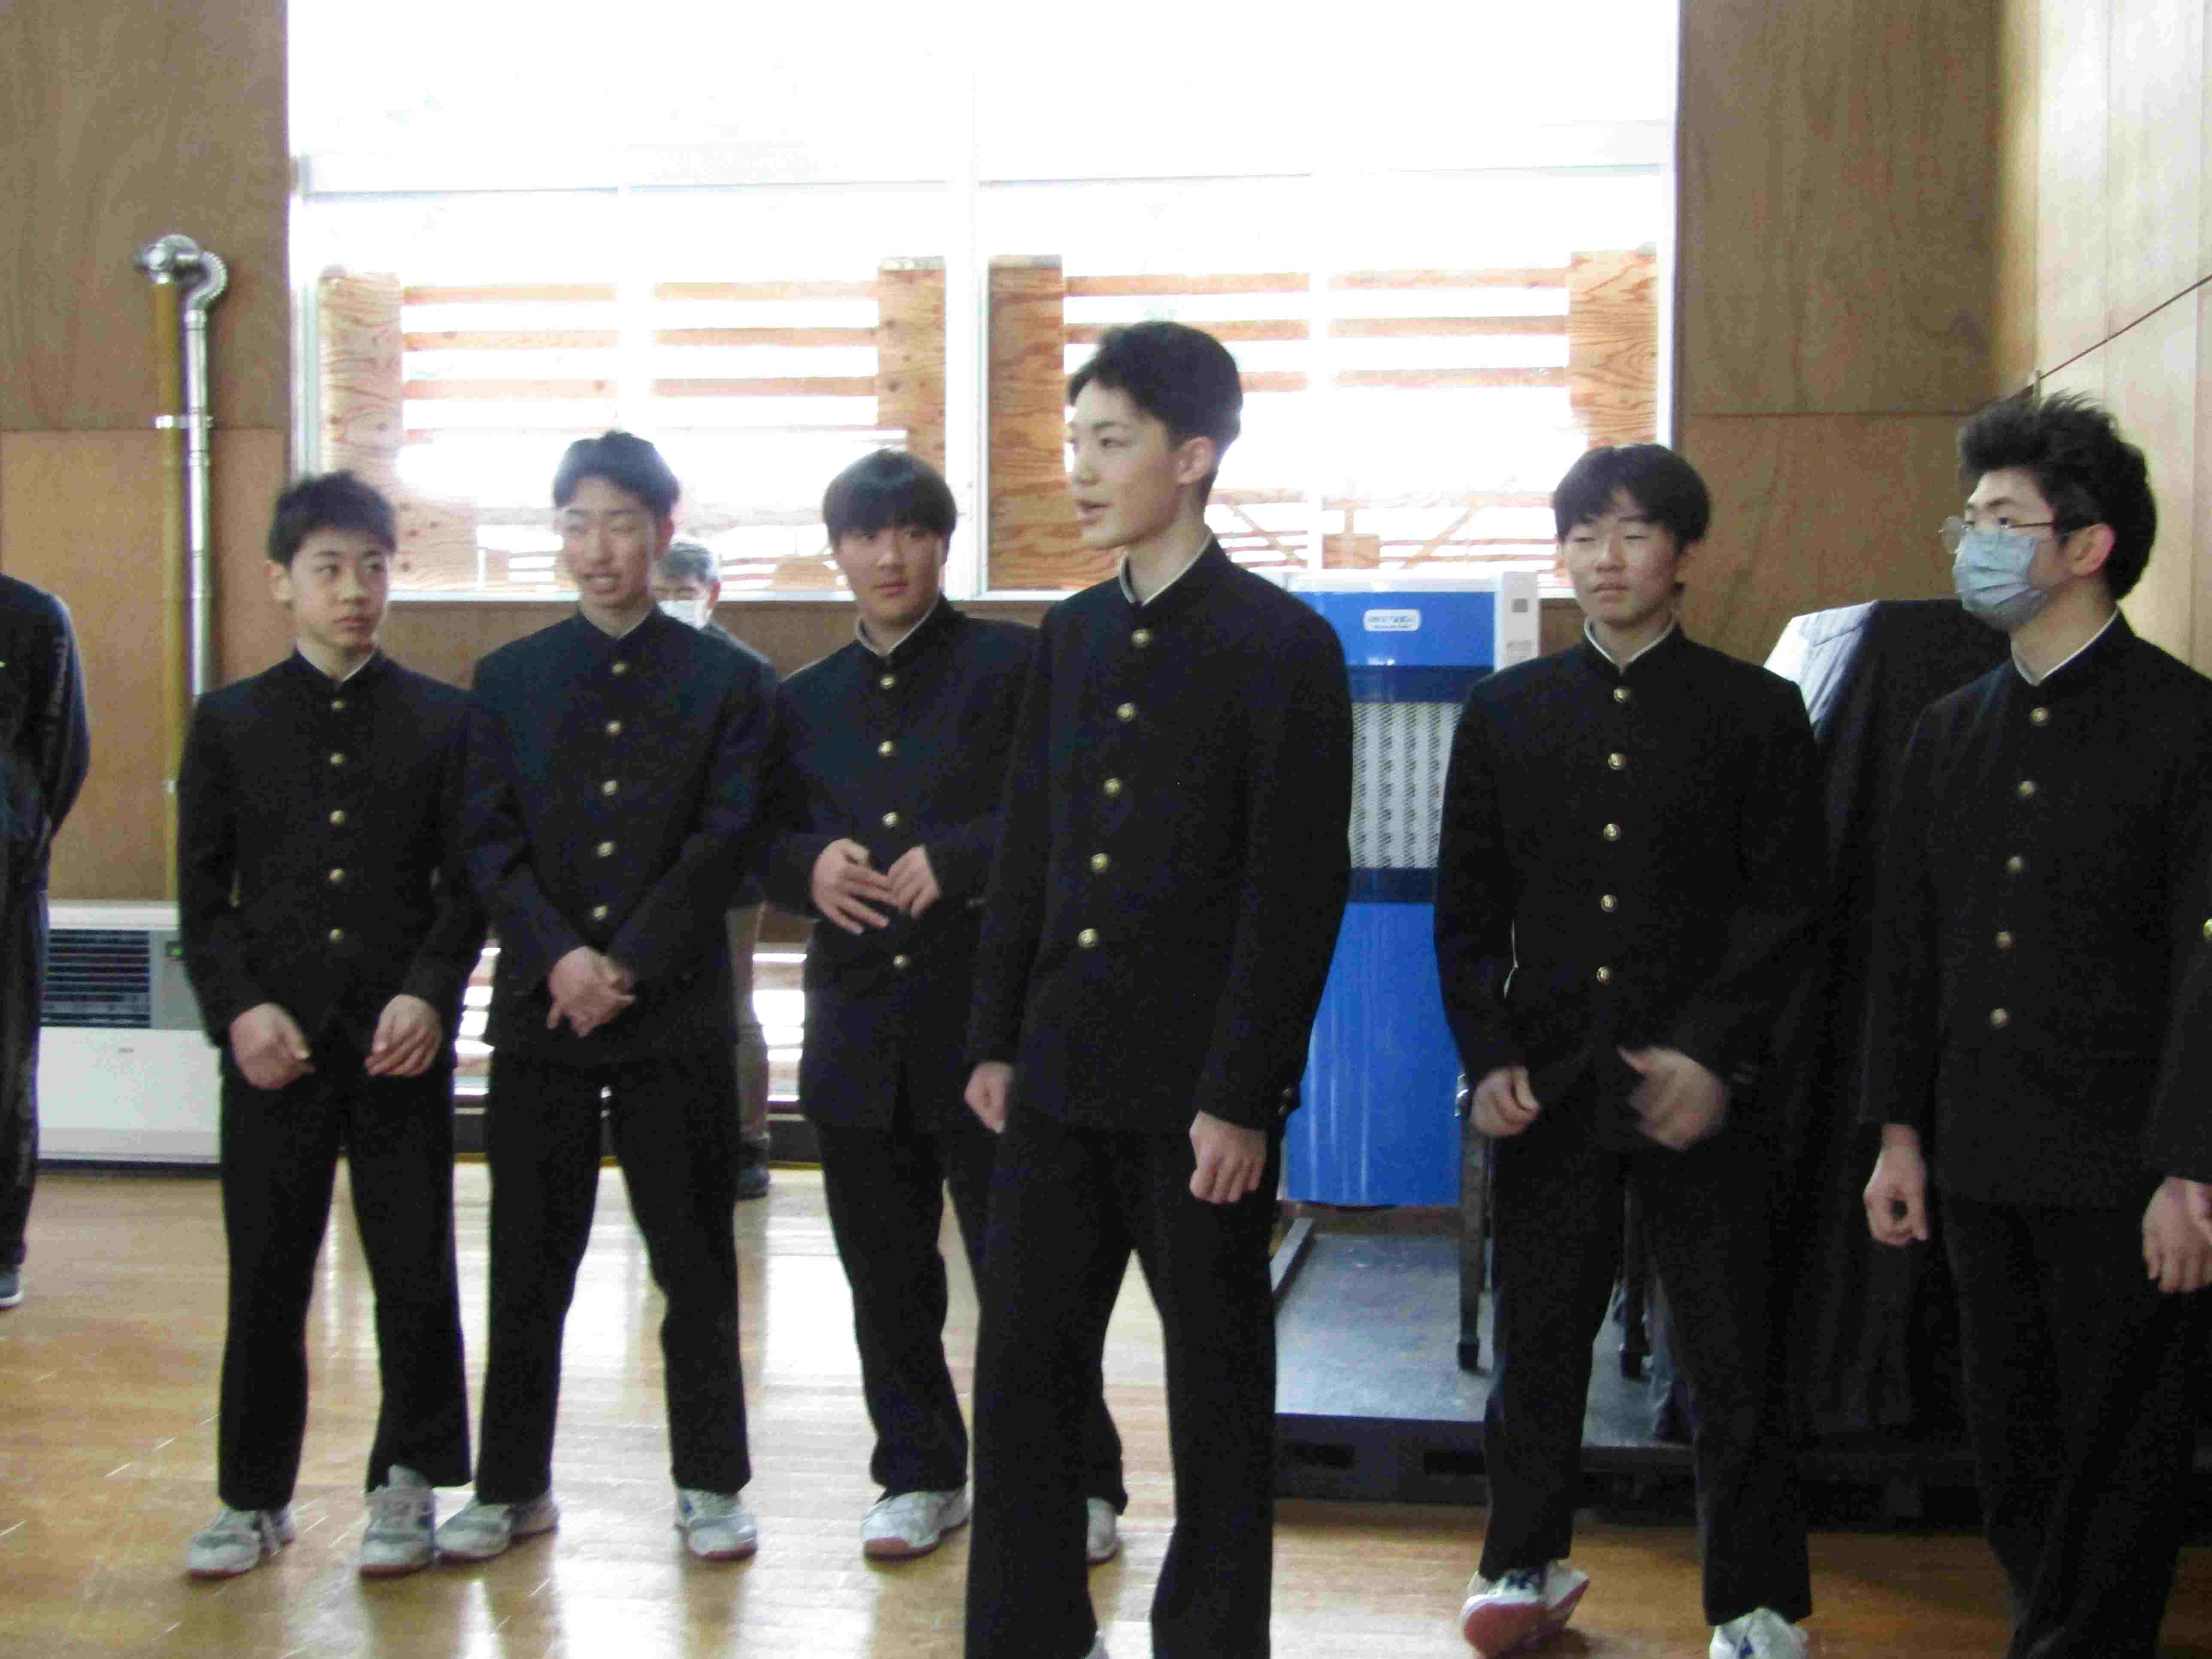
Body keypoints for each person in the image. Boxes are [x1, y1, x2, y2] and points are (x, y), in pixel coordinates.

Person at [962, 321, 1352, 1659]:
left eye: (1110, 442)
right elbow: (1030, 850)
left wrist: (1244, 1097)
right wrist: (994, 1039)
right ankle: (1022, 1635)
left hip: (1199, 1103)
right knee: (1022, 1378)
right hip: (1057, 1076)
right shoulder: (1068, 636)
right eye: (1074, 441)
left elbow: (1294, 893)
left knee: (1217, 1393)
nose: (1079, 470)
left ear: (1192, 457)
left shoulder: (1282, 644)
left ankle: (1211, 1640)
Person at [1435, 443, 1820, 1659]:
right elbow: (1466, 912)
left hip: (1705, 1085)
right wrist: (1487, 1053)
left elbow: (1788, 907)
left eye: (1635, 532)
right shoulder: (1506, 710)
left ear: (1683, 552)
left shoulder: (1756, 711)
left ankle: (1757, 1601)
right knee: (1539, 1332)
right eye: (1583, 535)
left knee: (1731, 1349)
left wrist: (1714, 1052)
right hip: (1550, 1078)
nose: (1606, 559)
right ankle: (1522, 1558)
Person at [1862, 393, 2212, 1659]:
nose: (1972, 543)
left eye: (2002, 520)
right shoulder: (1948, 729)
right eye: (1969, 518)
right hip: (1977, 1150)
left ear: (2086, 546)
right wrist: (1897, 1136)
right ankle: (2045, 1628)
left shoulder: (2184, 723)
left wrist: (2191, 1168)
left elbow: (2205, 968)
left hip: (2127, 1160)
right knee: (2008, 1431)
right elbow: (1908, 950)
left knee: (2122, 1438)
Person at [757, 449, 1126, 1564]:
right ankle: (918, 1472)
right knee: (886, 1278)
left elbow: (1076, 810)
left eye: (912, 534)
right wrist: (806, 867)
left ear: (943, 544)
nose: (889, 557)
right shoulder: (801, 700)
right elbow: (756, 837)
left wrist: (963, 858)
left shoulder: (1014, 666)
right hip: (856, 1029)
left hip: (991, 1029)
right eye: (866, 537)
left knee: (1031, 1278)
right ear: (836, 552)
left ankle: (1078, 1480)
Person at [439, 431, 773, 1565]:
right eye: (576, 525)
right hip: (543, 1013)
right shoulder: (510, 676)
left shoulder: (730, 681)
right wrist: (558, 958)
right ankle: (510, 1486)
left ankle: (712, 1482)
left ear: (663, 533)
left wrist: (624, 961)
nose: (597, 549)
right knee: (529, 1261)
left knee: (694, 1260)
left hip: (673, 1016)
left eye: (621, 525)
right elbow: (487, 840)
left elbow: (726, 838)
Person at [176, 471, 482, 1579]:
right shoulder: (229, 721)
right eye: (329, 569)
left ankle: (409, 1481)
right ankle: (251, 1496)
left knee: (413, 1268)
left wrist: (430, 991)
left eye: (374, 568)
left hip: (398, 1041)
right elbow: (201, 897)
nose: (355, 591)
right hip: (276, 1048)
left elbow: (466, 887)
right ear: (281, 581)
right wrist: (238, 1012)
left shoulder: (444, 719)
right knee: (268, 1273)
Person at [650, 540, 778, 1200]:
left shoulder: (745, 671)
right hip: (650, 874)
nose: (672, 603)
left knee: (734, 1005)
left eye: (684, 592)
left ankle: (749, 1140)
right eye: (661, 591)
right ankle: (676, 1140)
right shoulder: (637, 665)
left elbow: (755, 786)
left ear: (712, 595)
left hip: (730, 874)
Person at [0, 567, 87, 1313]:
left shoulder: (34, 618)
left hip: (7, 887)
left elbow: (62, 759)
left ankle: (1, 1251)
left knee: (5, 1070)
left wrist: (19, 840)